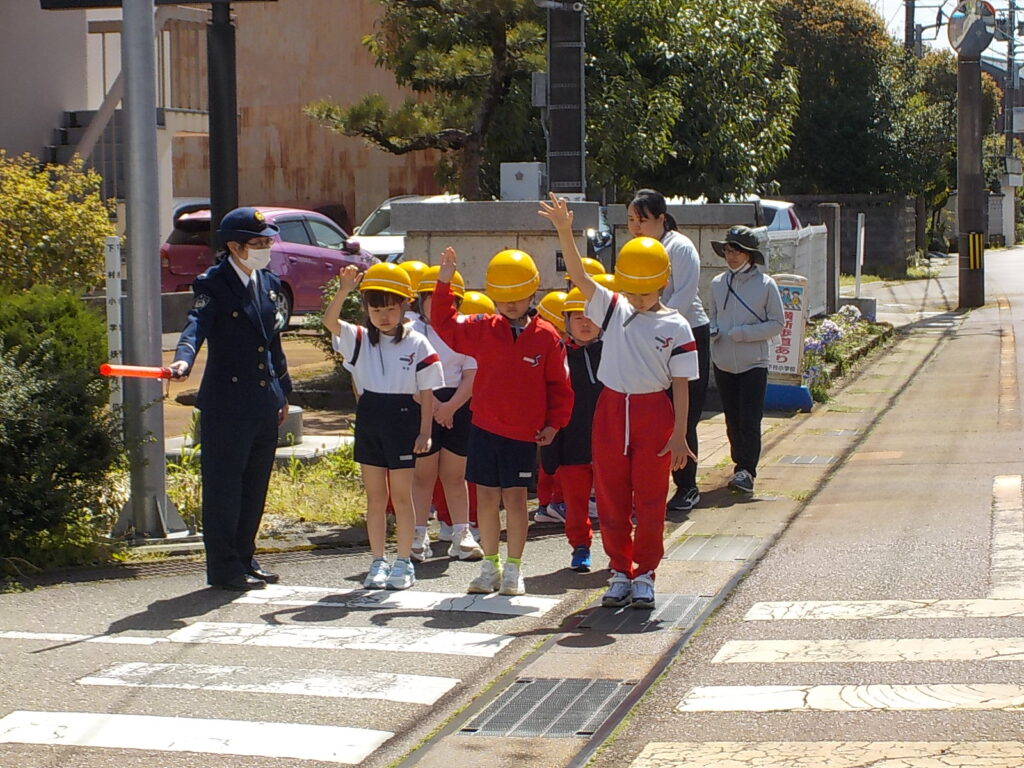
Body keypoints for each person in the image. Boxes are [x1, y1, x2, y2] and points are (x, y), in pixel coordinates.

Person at [540, 193, 697, 609]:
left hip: (654, 412)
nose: (640, 297)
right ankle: (619, 570)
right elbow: (579, 275)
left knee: (650, 499)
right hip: (610, 409)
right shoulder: (613, 309)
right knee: (610, 496)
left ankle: (645, 572)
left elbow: (682, 384)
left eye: (647, 290)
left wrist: (680, 434)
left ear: (664, 281)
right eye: (633, 289)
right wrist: (564, 230)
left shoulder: (678, 326)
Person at [432, 246, 573, 596]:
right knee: (486, 499)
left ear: (533, 292)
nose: (511, 304)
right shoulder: (482, 327)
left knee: (515, 500)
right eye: (503, 297)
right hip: (484, 429)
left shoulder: (547, 336)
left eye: (518, 296)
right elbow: (444, 324)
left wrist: (554, 424)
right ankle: (489, 566)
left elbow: (560, 386)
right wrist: (444, 282)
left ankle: (514, 569)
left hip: (523, 435)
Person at [169, 207, 292, 591]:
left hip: (263, 401)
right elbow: (196, 325)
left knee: (254, 488)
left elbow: (272, 341)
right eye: (258, 243)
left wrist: (283, 391)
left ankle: (245, 557)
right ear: (235, 247)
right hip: (227, 404)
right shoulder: (214, 284)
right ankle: (224, 567)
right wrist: (183, 358)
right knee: (224, 490)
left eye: (268, 242)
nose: (266, 249)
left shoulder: (268, 282)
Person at [323, 263, 443, 590]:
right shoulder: (359, 338)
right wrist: (344, 290)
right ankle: (378, 560)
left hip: (403, 417)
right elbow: (330, 322)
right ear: (367, 309)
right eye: (376, 310)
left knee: (402, 496)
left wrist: (425, 431)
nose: (384, 316)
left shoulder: (417, 343)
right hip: (370, 416)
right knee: (376, 497)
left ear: (405, 305)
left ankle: (403, 561)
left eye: (391, 308)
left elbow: (427, 392)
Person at [627, 189, 710, 514]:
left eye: (642, 220)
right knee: (656, 415)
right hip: (649, 336)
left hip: (685, 332)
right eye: (631, 220)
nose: (636, 227)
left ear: (661, 218)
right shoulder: (636, 250)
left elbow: (683, 297)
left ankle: (687, 486)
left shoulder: (680, 247)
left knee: (683, 414)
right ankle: (652, 486)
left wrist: (655, 325)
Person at [408, 265, 484, 563]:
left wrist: (450, 407)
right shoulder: (411, 329)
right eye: (429, 297)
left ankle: (462, 533)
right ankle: (417, 533)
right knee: (423, 475)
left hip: (458, 403)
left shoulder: (464, 328)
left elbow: (471, 373)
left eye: (447, 299)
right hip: (421, 403)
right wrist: (435, 408)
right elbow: (406, 376)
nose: (436, 304)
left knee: (455, 474)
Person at [707, 226, 785, 495]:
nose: (731, 257)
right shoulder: (717, 283)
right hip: (723, 360)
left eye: (737, 252)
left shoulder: (766, 285)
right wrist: (713, 330)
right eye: (728, 251)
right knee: (732, 418)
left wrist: (745, 334)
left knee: (750, 419)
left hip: (754, 362)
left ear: (750, 255)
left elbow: (777, 323)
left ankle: (747, 470)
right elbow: (713, 315)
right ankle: (738, 464)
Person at [539, 286, 603, 572]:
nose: (585, 323)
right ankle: (580, 547)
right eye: (577, 317)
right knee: (575, 504)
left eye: (591, 316)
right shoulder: (558, 355)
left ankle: (619, 553)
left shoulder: (614, 352)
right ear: (565, 321)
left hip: (608, 444)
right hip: (572, 444)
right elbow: (549, 401)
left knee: (614, 504)